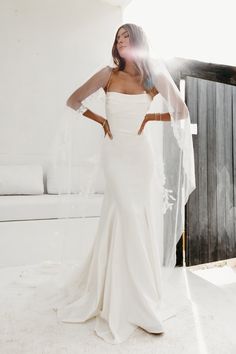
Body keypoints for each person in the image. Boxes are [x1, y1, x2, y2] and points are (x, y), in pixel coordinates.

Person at [42, 23, 196, 344]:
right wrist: (101, 120)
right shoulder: (107, 75)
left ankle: (138, 299)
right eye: (118, 38)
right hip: (115, 155)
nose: (121, 41)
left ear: (138, 42)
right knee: (125, 214)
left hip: (141, 156)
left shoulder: (152, 74)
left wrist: (152, 117)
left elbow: (181, 111)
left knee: (134, 219)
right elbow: (73, 100)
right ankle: (127, 301)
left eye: (127, 37)